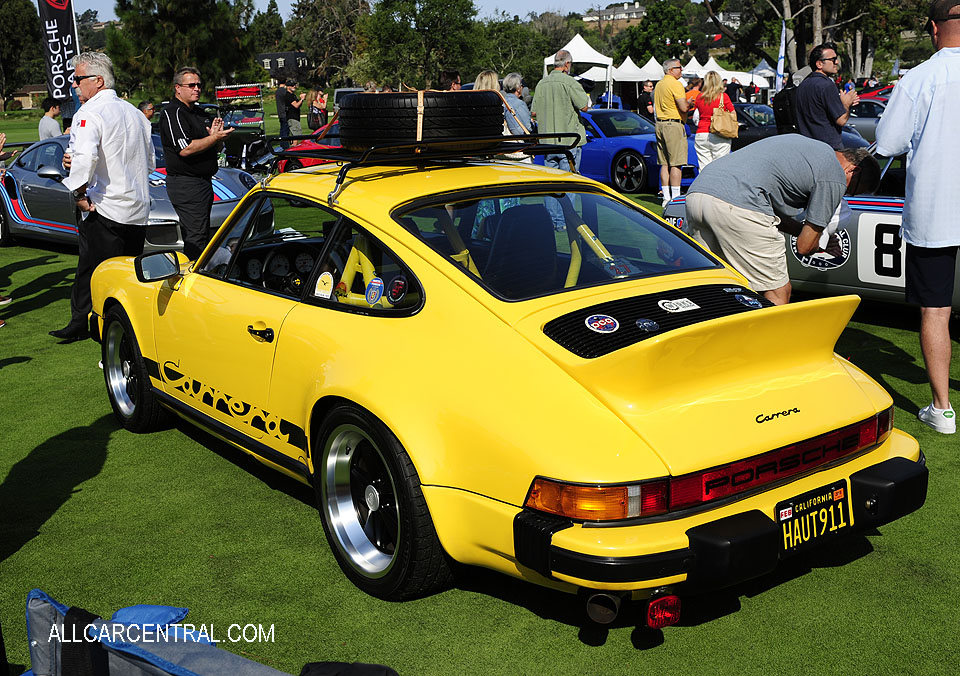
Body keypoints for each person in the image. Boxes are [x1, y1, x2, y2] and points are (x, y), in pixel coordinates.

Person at [875, 0, 960, 434]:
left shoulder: (921, 76)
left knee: (936, 311)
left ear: (932, 28)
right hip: (939, 211)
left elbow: (887, 142)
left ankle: (943, 408)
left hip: (936, 210)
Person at [683, 135, 880, 306]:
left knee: (721, 285)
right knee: (778, 292)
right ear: (854, 171)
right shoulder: (835, 176)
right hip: (740, 205)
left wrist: (813, 238)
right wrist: (820, 244)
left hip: (698, 193)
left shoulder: (811, 149)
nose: (844, 194)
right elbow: (804, 247)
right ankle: (766, 349)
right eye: (852, 190)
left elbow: (774, 216)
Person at [51, 52, 154, 342]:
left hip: (104, 207)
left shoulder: (89, 112)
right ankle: (92, 323)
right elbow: (148, 160)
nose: (73, 85)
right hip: (135, 206)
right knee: (126, 273)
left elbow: (85, 156)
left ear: (97, 81)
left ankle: (107, 333)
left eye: (77, 79)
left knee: (101, 274)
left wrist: (79, 192)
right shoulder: (135, 112)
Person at [158, 67, 233, 261]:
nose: (196, 89)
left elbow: (214, 150)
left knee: (203, 233)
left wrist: (217, 139)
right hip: (186, 182)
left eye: (199, 85)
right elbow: (185, 149)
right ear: (178, 88)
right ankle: (194, 278)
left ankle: (202, 270)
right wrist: (213, 138)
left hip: (204, 181)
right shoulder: (172, 113)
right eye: (191, 85)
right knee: (196, 237)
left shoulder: (201, 113)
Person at [531, 49, 590, 173]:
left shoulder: (541, 84)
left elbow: (534, 113)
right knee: (569, 183)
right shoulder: (570, 82)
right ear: (567, 64)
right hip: (569, 142)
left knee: (553, 185)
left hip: (547, 143)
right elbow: (584, 106)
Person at [795, 43, 859, 150]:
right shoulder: (827, 85)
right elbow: (841, 120)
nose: (837, 62)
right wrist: (846, 104)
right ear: (819, 64)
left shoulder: (803, 85)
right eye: (833, 59)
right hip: (828, 148)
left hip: (807, 148)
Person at [653, 58, 692, 207]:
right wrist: (690, 104)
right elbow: (683, 107)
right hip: (673, 124)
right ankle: (675, 198)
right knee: (676, 163)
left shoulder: (659, 84)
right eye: (679, 68)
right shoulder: (675, 84)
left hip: (660, 124)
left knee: (664, 163)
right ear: (670, 70)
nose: (681, 70)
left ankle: (666, 197)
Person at [692, 71, 734, 169]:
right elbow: (733, 113)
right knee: (720, 167)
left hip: (701, 133)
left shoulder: (699, 97)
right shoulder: (723, 97)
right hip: (719, 133)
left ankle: (705, 184)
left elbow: (696, 114)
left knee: (703, 167)